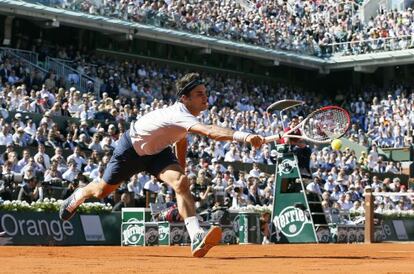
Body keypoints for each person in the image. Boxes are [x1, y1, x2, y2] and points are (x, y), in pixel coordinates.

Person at [59, 73, 265, 257]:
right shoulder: (180, 114)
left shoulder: (187, 116)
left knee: (182, 182)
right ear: (184, 98)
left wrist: (180, 180)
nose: (205, 97)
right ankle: (79, 194)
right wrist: (244, 137)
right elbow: (211, 132)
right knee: (101, 192)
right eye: (199, 94)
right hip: (130, 150)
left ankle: (196, 237)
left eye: (205, 93)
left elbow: (181, 141)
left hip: (158, 154)